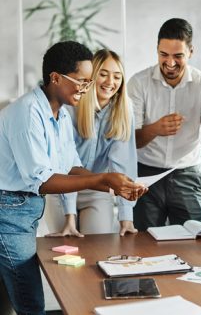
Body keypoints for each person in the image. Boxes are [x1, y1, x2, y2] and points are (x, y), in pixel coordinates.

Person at [0, 41, 146, 314]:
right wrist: (102, 181)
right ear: (55, 78)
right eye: (82, 81)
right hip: (8, 209)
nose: (87, 88)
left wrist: (110, 182)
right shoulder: (27, 113)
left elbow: (70, 166)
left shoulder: (60, 115)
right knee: (29, 299)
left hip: (25, 206)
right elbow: (43, 180)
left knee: (15, 293)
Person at [128, 18, 201, 231]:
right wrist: (156, 129)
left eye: (178, 56)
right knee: (144, 245)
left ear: (191, 52)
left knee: (194, 241)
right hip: (145, 175)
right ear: (156, 50)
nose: (170, 62)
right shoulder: (138, 83)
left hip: (186, 174)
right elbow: (130, 140)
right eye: (163, 55)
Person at [44, 49, 138, 237]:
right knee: (64, 250)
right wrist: (69, 216)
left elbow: (122, 165)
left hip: (96, 191)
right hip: (61, 190)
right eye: (103, 74)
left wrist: (126, 218)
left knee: (98, 246)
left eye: (117, 77)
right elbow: (66, 165)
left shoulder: (123, 112)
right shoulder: (70, 107)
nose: (110, 82)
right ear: (90, 77)